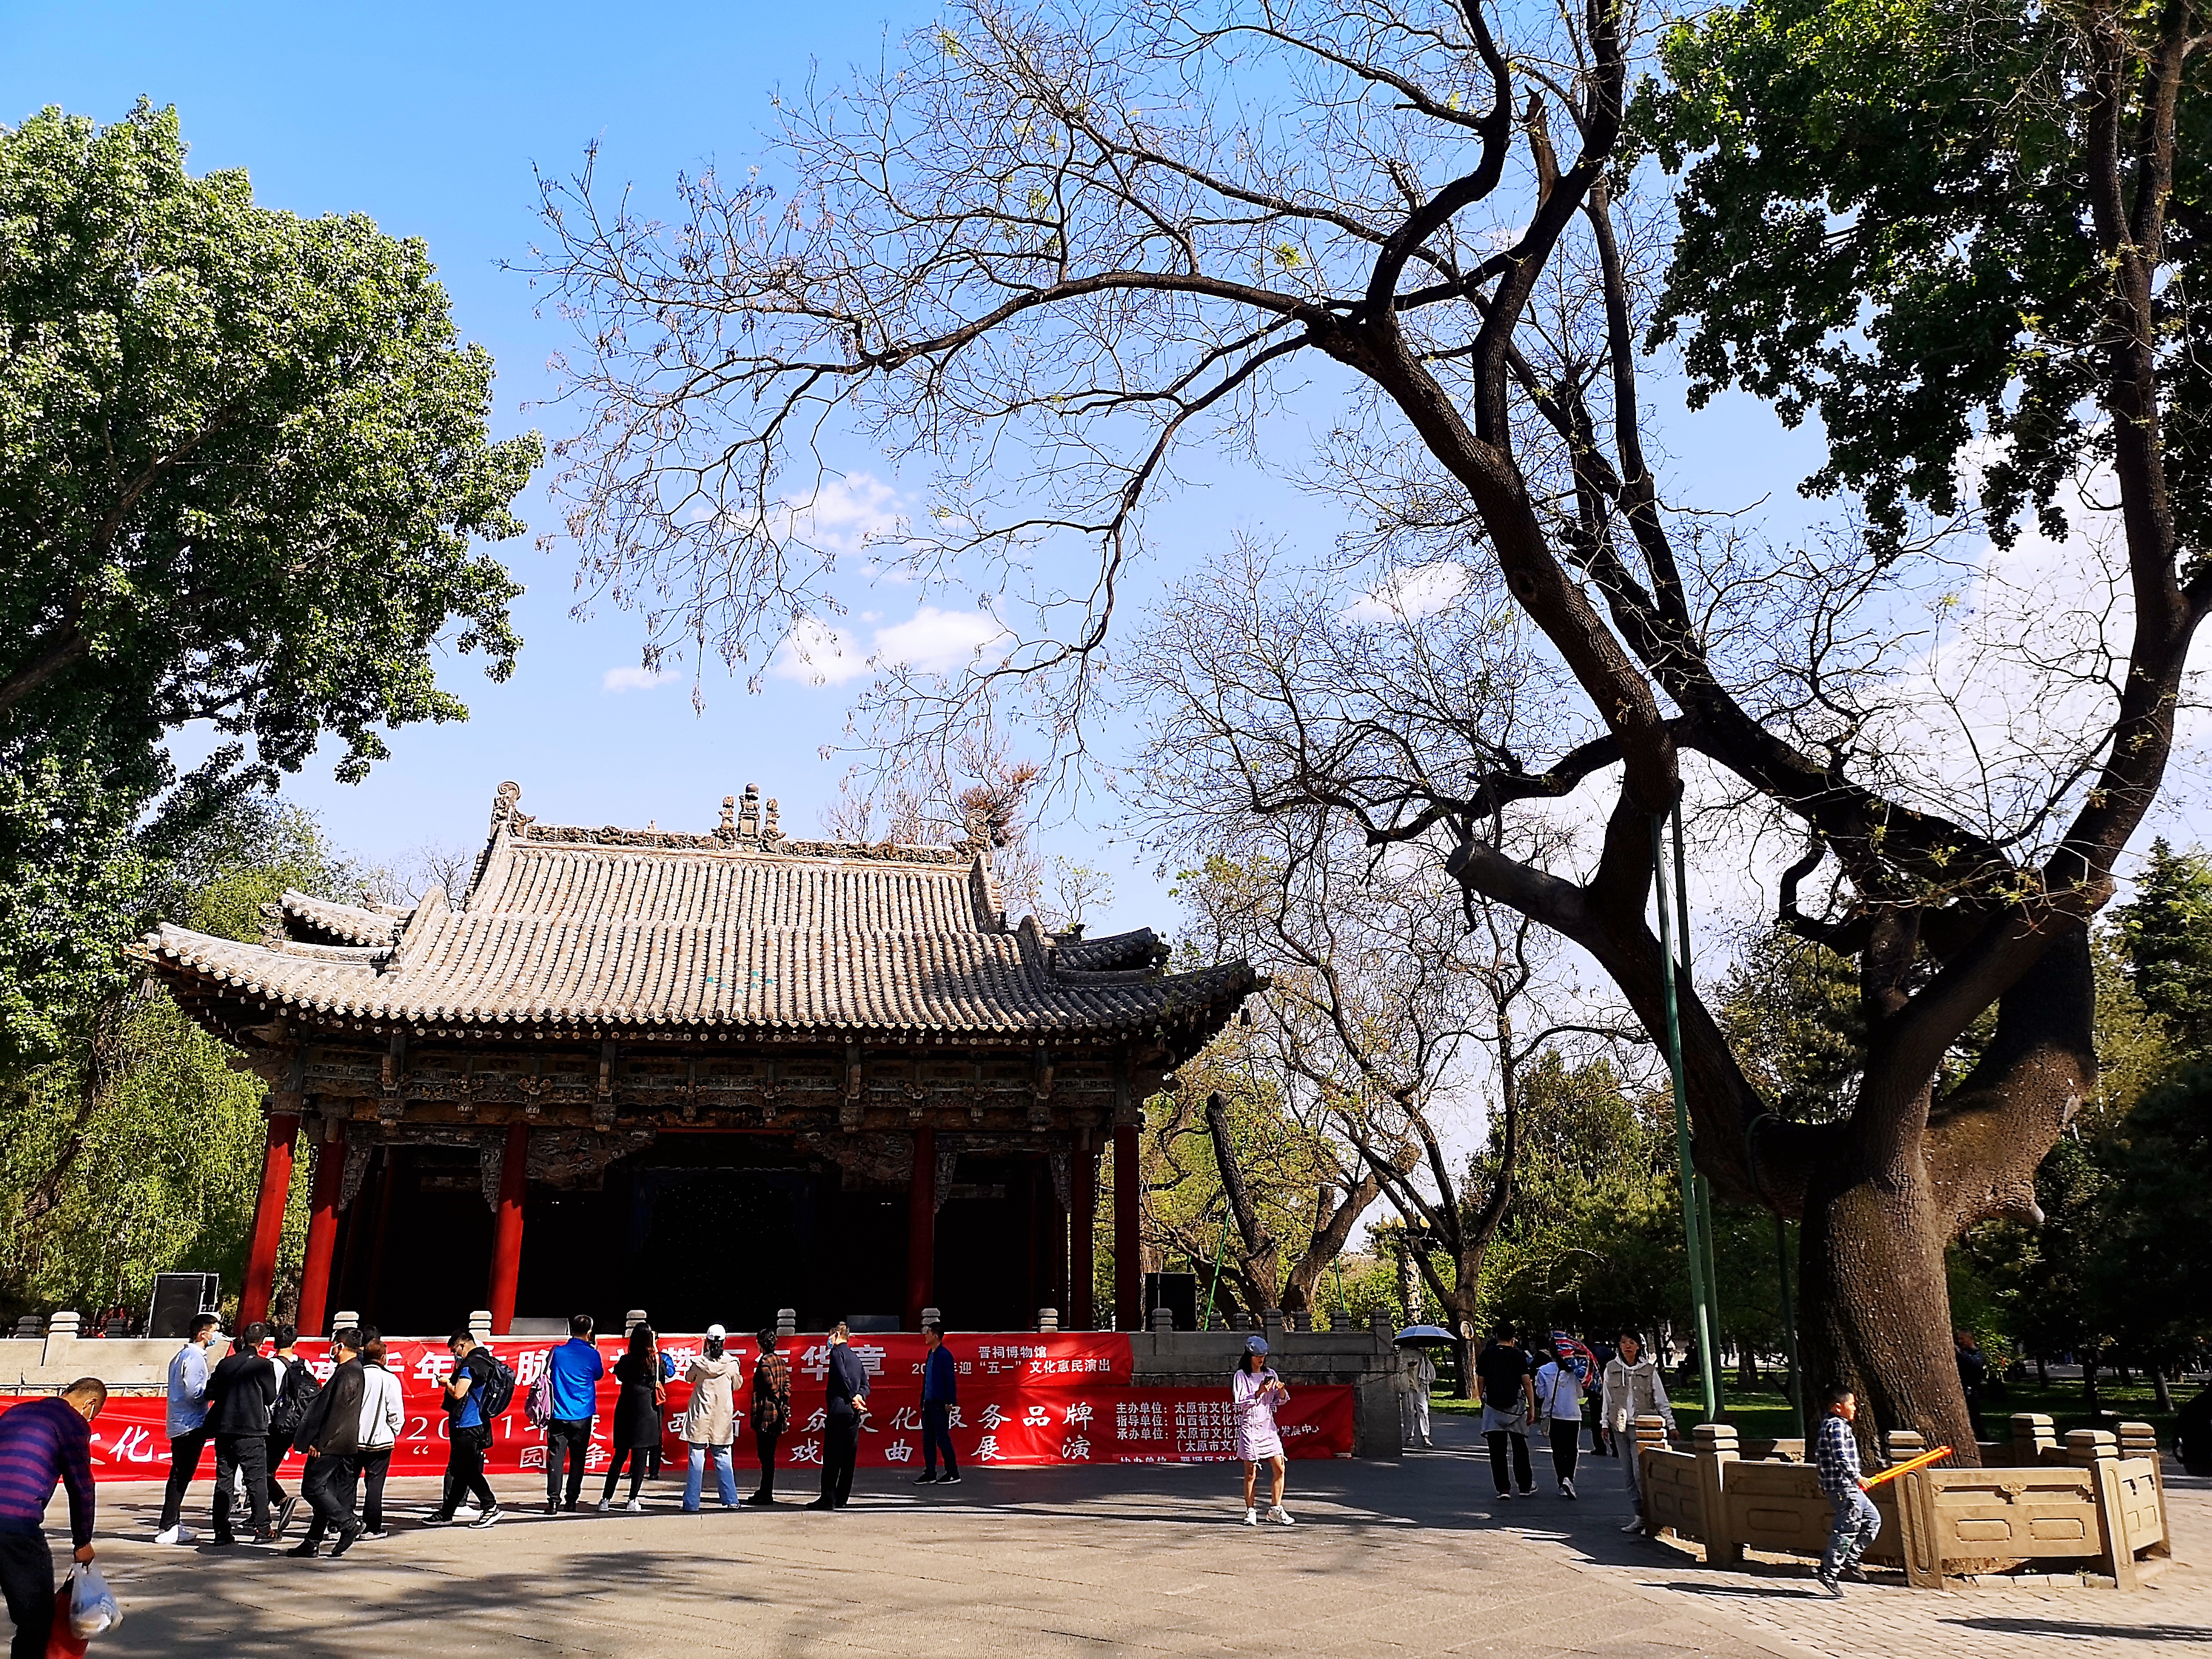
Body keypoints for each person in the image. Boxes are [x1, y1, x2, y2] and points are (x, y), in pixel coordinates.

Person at [0, 1378, 102, 1659]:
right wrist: (82, 1541)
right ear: (89, 1404)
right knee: (35, 1619)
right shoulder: (73, 1423)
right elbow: (81, 1486)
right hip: (15, 1523)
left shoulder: (15, 1412)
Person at [289, 1326, 366, 1558]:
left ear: (340, 1346)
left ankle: (348, 1522)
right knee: (325, 1489)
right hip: (338, 1441)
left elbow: (337, 1414)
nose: (331, 1349)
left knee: (311, 1488)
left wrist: (320, 1442)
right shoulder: (348, 1371)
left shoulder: (349, 1373)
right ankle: (312, 1541)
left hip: (332, 1443)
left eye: (334, 1344)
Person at [205, 1318, 279, 1546]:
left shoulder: (225, 1364)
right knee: (256, 1480)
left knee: (224, 1480)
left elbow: (211, 1391)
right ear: (262, 1342)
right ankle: (263, 1528)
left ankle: (221, 1531)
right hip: (251, 1430)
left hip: (225, 1429)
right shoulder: (263, 1365)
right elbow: (270, 1396)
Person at [155, 1312, 223, 1544]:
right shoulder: (193, 1357)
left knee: (180, 1474)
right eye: (214, 1330)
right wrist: (213, 1391)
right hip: (190, 1423)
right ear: (203, 1333)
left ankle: (173, 1522)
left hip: (182, 1421)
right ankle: (167, 1526)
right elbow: (194, 1392)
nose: (216, 1335)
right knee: (180, 1475)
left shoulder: (182, 1355)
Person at [1601, 1329, 1676, 1532]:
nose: (1627, 1346)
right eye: (1624, 1342)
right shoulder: (1611, 1369)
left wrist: (1671, 1424)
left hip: (1642, 1427)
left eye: (1631, 1342)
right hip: (1620, 1426)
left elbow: (1661, 1400)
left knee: (1640, 1472)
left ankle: (1653, 1516)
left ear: (1638, 1346)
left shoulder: (1649, 1371)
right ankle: (1640, 1515)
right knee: (1628, 1475)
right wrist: (1604, 1424)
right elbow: (1607, 1398)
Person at [427, 1329, 503, 1527]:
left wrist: (446, 1383)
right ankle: (447, 1512)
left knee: (467, 1469)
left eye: (455, 1350)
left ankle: (490, 1505)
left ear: (462, 1345)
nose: (455, 1354)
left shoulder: (470, 1365)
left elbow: (459, 1393)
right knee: (460, 1468)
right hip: (479, 1421)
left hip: (466, 1424)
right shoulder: (486, 1359)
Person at [1812, 1386, 1880, 1597]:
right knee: (1847, 1528)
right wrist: (1857, 1477)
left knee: (1872, 1520)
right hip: (1843, 1488)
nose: (1855, 1408)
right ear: (1838, 1407)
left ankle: (1851, 1557)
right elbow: (1840, 1455)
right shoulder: (1835, 1427)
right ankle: (1828, 1571)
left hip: (1851, 1487)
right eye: (1851, 1404)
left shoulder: (1838, 1425)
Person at [543, 1313, 606, 1515]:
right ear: (589, 1332)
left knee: (556, 1459)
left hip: (558, 1412)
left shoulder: (558, 1352)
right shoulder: (592, 1354)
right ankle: (571, 1501)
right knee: (578, 1459)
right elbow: (598, 1374)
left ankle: (553, 1502)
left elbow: (548, 1372)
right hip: (582, 1413)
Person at [600, 1322, 664, 1512]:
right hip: (647, 1410)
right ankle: (632, 1500)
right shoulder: (654, 1361)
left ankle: (605, 1500)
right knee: (640, 1458)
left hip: (626, 1407)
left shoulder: (626, 1360)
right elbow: (665, 1374)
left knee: (619, 1456)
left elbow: (618, 1374)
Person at [808, 1321, 870, 1510]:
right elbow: (866, 1384)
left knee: (833, 1458)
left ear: (835, 1335)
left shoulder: (836, 1353)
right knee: (848, 1458)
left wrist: (853, 1397)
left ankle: (828, 1498)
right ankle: (842, 1498)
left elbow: (843, 1377)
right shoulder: (856, 1358)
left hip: (839, 1410)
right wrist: (860, 1396)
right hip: (853, 1414)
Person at [1233, 1335, 1293, 1526]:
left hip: (1268, 1427)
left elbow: (1281, 1400)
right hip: (1250, 1428)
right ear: (1249, 1356)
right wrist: (1259, 1392)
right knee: (1251, 1471)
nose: (1261, 1360)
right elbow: (1240, 1402)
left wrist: (1281, 1390)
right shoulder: (1241, 1376)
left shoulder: (1271, 1374)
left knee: (1280, 1467)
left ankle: (1276, 1508)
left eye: (1263, 1356)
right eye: (1257, 1356)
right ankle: (1251, 1511)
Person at [682, 1325, 742, 1512]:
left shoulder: (698, 1363)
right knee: (724, 1458)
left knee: (696, 1461)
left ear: (706, 1342)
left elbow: (688, 1378)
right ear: (724, 1342)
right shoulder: (732, 1364)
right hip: (721, 1419)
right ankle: (731, 1499)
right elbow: (738, 1385)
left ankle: (692, 1504)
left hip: (700, 1417)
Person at [1475, 1322, 1538, 1500]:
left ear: (1496, 1336)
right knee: (1520, 1448)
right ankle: (1525, 1486)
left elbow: (1481, 1379)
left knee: (1497, 1451)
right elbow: (1526, 1382)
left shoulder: (1488, 1354)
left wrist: (1482, 1399)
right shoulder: (1518, 1355)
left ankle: (1503, 1488)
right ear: (1513, 1338)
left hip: (1494, 1407)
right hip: (1515, 1408)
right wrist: (1531, 1407)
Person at [264, 1323, 315, 1537]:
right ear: (295, 1343)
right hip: (299, 1424)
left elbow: (266, 1397)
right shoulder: (305, 1365)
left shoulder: (268, 1365)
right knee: (268, 1468)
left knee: (262, 1470)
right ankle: (259, 1512)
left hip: (275, 1424)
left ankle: (281, 1501)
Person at [354, 1334, 405, 1540]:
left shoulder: (355, 1375)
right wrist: (394, 1431)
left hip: (353, 1439)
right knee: (374, 1485)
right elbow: (396, 1413)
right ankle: (372, 1527)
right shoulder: (389, 1379)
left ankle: (344, 1524)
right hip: (380, 1442)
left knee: (348, 1483)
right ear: (383, 1357)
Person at [1533, 1343, 1587, 1498]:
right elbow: (1580, 1394)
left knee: (1558, 1450)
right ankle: (1568, 1479)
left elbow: (1541, 1394)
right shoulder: (1574, 1371)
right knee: (1572, 1450)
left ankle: (1561, 1480)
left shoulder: (1543, 1371)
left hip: (1554, 1414)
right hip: (1572, 1414)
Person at [746, 1328, 791, 1506]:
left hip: (767, 1413)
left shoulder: (765, 1362)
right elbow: (787, 1383)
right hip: (777, 1413)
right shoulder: (779, 1360)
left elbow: (770, 1385)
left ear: (761, 1344)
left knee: (765, 1457)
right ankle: (765, 1490)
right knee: (768, 1456)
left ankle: (766, 1493)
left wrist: (777, 1398)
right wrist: (784, 1399)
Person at [917, 1321, 960, 1485]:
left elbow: (950, 1380)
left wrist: (950, 1401)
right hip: (928, 1403)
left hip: (939, 1403)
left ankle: (953, 1472)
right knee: (928, 1439)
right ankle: (930, 1472)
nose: (925, 1335)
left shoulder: (944, 1355)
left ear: (935, 1336)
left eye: (928, 1332)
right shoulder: (931, 1354)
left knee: (942, 1438)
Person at [1954, 1331, 1989, 1443]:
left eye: (1962, 1339)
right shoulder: (1960, 1354)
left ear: (1970, 1340)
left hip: (1973, 1390)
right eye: (1958, 1339)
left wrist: (1961, 1354)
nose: (1960, 1342)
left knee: (1975, 1419)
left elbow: (1976, 1364)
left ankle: (1983, 1440)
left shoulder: (1977, 1354)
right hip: (1961, 1389)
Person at [1400, 1344, 1437, 1448]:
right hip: (1408, 1386)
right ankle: (1409, 1436)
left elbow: (1427, 1369)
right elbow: (1398, 1367)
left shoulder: (1421, 1353)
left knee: (1424, 1411)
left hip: (1420, 1386)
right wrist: (1408, 1365)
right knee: (1409, 1412)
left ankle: (1426, 1436)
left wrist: (1425, 1357)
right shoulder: (1403, 1352)